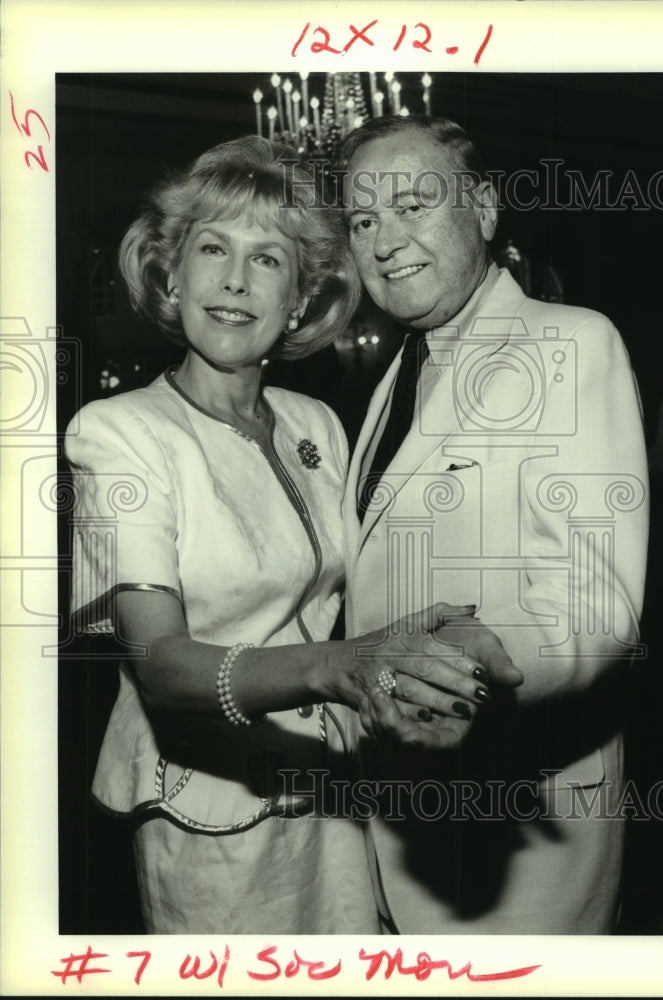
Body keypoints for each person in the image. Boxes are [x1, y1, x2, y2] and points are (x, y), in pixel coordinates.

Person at [65, 135, 520, 935]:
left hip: (336, 792)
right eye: (212, 248)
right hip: (208, 811)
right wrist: (340, 666)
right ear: (172, 273)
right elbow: (162, 666)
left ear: (302, 297)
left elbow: (366, 589)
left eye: (268, 259)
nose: (235, 281)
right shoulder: (119, 432)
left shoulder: (317, 423)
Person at [340, 116, 650, 934]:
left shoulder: (570, 343)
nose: (383, 241)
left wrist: (491, 654)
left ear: (481, 208)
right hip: (395, 820)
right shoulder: (388, 382)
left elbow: (598, 606)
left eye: (411, 205)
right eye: (363, 221)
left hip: (519, 838)